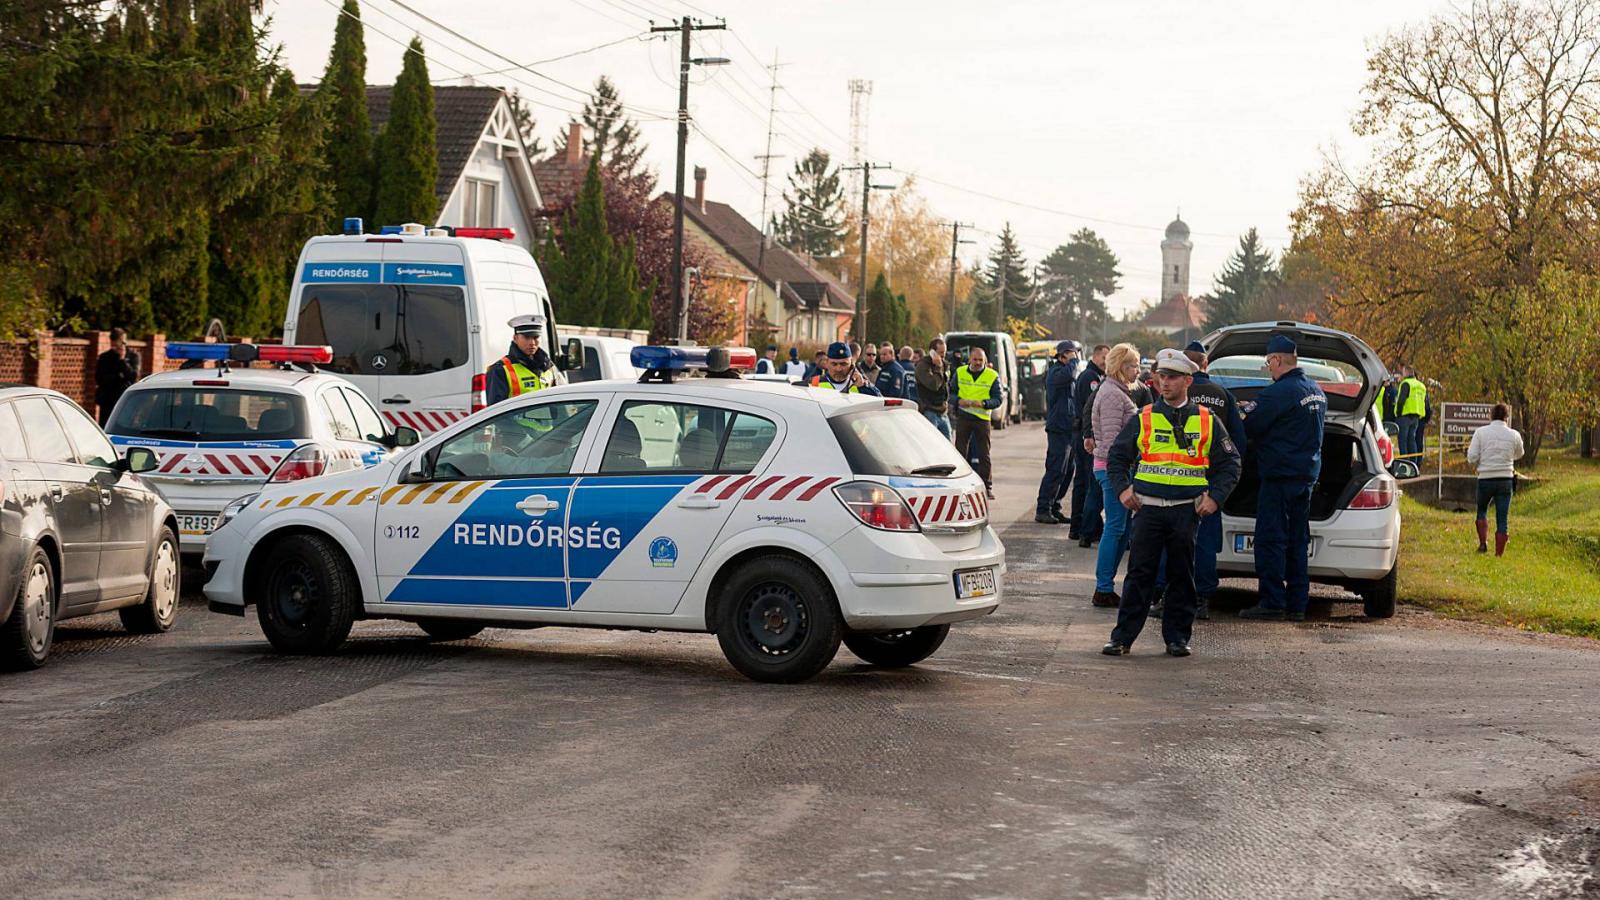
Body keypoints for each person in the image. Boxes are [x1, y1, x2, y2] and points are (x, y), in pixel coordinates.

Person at [1102, 349, 1240, 657]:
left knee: (1182, 575)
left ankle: (1177, 638)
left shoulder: (1207, 420)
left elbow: (1231, 463)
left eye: (1172, 378)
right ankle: (1122, 638)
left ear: (1188, 380)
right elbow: (1117, 457)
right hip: (1148, 509)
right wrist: (1123, 489)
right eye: (1161, 377)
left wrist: (1215, 498)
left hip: (1185, 511)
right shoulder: (1144, 417)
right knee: (1139, 575)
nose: (1164, 383)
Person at [1239, 334, 1327, 622]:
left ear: (1277, 359)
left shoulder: (1278, 393)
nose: (1268, 369)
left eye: (1268, 363)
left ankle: (1272, 601)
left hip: (1280, 478)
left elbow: (1250, 427)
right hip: (1306, 476)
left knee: (1270, 539)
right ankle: (1297, 604)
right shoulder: (1315, 390)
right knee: (1298, 540)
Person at [1183, 341, 1247, 620]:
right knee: (1205, 542)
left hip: (1175, 479)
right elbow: (1238, 443)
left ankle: (1166, 596)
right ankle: (1202, 599)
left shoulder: (1177, 393)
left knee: (1172, 542)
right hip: (1208, 483)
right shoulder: (1223, 395)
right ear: (1206, 364)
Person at [1089, 343, 1144, 608]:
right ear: (1120, 367)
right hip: (1112, 470)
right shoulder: (1112, 394)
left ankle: (1106, 585)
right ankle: (1103, 588)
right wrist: (1121, 478)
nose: (1138, 371)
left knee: (1120, 529)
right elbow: (1113, 443)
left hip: (1117, 470)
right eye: (1133, 365)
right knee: (1115, 528)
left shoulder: (1117, 391)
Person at [1467, 402, 1524, 556]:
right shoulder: (1514, 434)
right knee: (1502, 516)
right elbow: (1520, 453)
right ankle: (1499, 553)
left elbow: (1472, 457)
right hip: (1505, 479)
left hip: (1485, 478)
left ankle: (1483, 544)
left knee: (1482, 510)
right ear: (1507, 417)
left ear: (1491, 416)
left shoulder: (1480, 432)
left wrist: (1481, 460)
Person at [1035, 340, 1082, 524]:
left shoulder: (1067, 372)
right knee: (1055, 469)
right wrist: (1073, 362)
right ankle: (1043, 508)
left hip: (1069, 427)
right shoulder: (1056, 373)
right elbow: (1069, 375)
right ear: (1062, 355)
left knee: (1068, 470)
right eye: (1071, 354)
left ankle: (1055, 506)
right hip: (1058, 428)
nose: (1075, 358)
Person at [951, 346, 1003, 499]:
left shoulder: (992, 375)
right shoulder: (960, 372)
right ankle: (959, 486)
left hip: (982, 419)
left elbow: (998, 399)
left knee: (984, 454)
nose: (978, 362)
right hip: (964, 417)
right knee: (960, 453)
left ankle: (987, 488)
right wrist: (959, 401)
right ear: (969, 359)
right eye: (975, 359)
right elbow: (951, 393)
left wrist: (984, 404)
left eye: (981, 360)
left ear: (985, 361)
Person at [1071, 343, 1108, 545]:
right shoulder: (1090, 378)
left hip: (1086, 435)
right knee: (1085, 482)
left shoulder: (1095, 376)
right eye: (1105, 358)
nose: (1107, 362)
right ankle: (1081, 528)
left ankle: (1083, 527)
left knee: (1084, 483)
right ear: (1096, 356)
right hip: (1086, 437)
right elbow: (1090, 409)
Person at [485, 315, 552, 406]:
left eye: (535, 337)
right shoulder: (499, 370)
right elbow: (495, 411)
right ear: (515, 338)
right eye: (527, 337)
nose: (532, 343)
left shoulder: (548, 366)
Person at [94, 327, 141, 425]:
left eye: (123, 342)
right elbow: (99, 379)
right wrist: (118, 376)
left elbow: (133, 377)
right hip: (108, 400)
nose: (121, 346)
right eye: (116, 344)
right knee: (106, 426)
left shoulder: (133, 356)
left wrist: (123, 360)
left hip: (126, 400)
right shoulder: (105, 357)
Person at [809, 341, 881, 395]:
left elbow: (880, 402)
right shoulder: (814, 383)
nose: (838, 369)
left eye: (843, 364)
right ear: (827, 362)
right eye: (834, 364)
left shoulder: (860, 384)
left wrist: (864, 387)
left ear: (851, 364)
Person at [916, 338, 952, 438]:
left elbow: (945, 386)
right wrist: (938, 368)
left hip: (943, 411)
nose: (943, 355)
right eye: (940, 352)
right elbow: (934, 385)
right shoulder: (923, 366)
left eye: (944, 352)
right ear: (932, 352)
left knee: (947, 443)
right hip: (930, 410)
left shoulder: (944, 365)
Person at [1396, 365, 1428, 462]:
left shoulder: (1406, 383)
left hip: (1405, 415)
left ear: (1406, 373)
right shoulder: (1421, 386)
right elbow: (1425, 402)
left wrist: (1398, 413)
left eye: (1403, 373)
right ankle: (1413, 462)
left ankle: (1404, 463)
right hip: (1416, 417)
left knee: (1403, 441)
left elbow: (1401, 400)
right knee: (1412, 440)